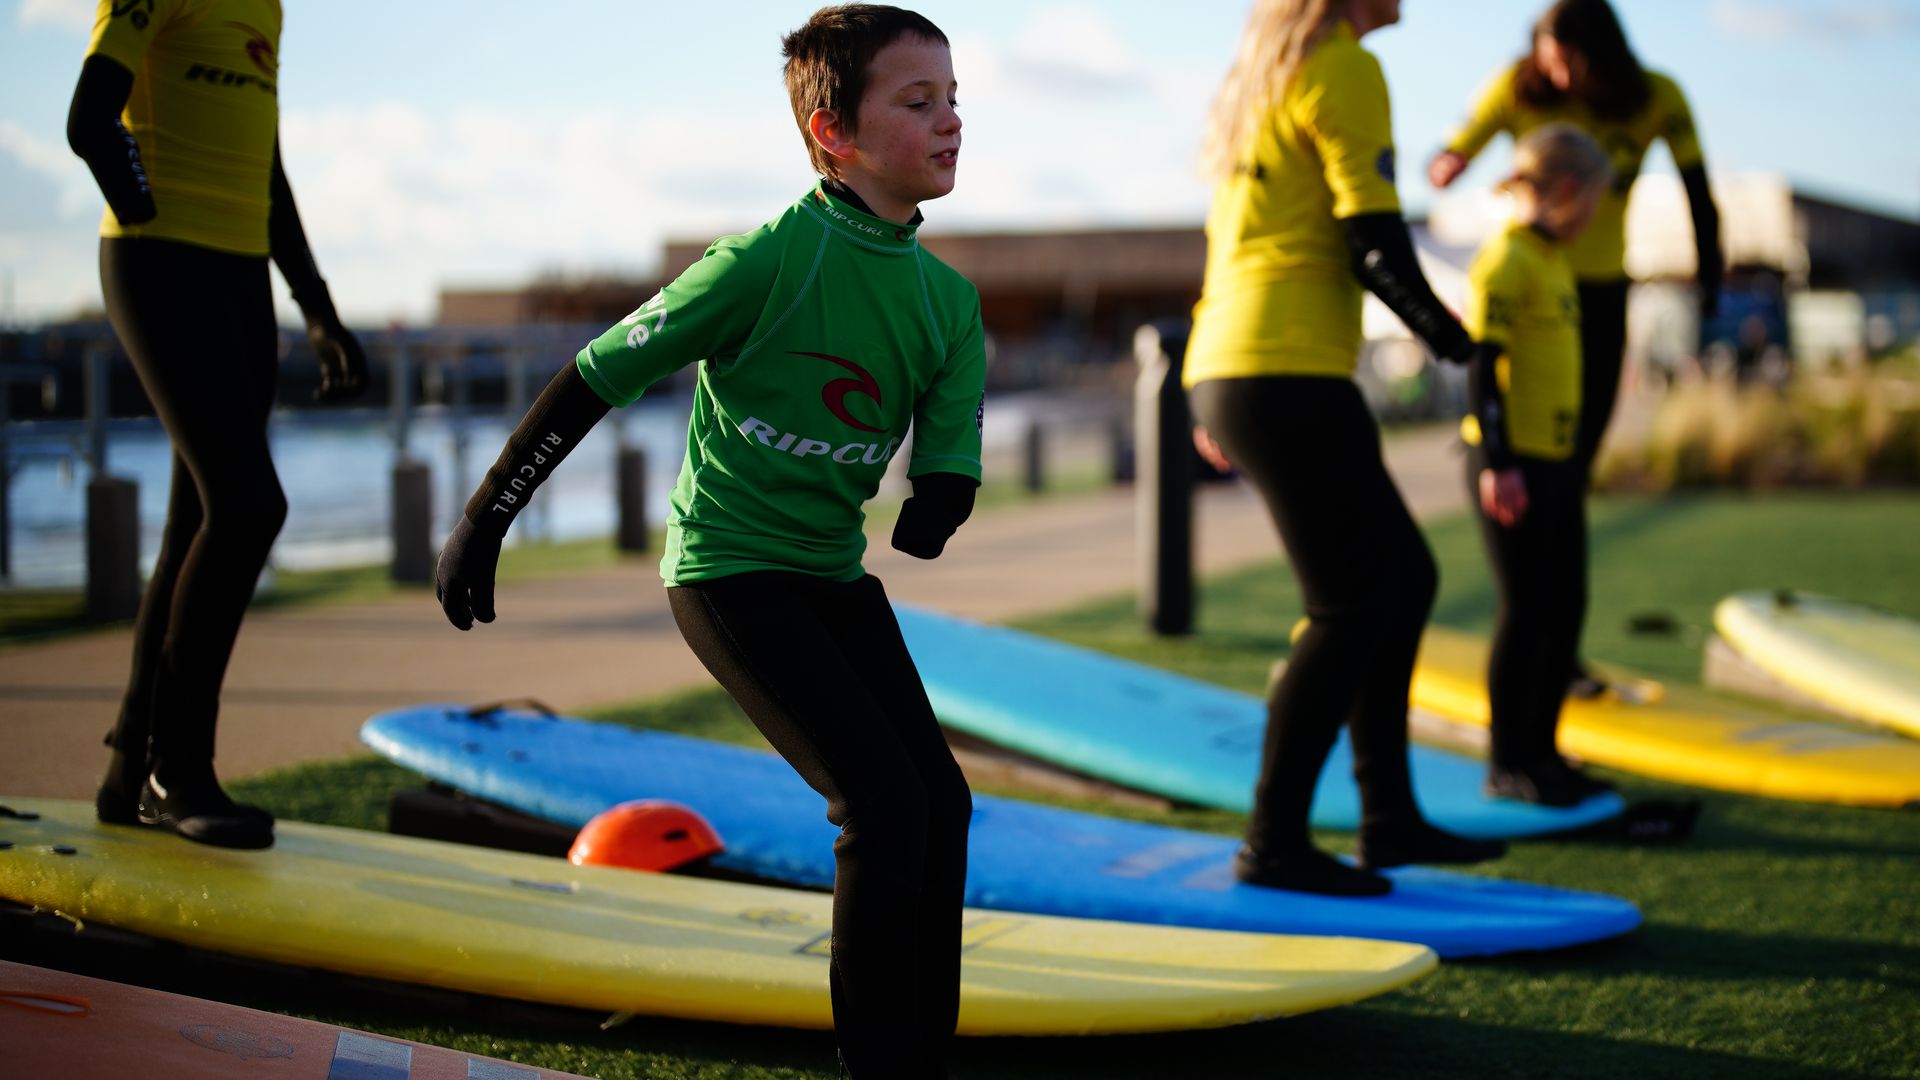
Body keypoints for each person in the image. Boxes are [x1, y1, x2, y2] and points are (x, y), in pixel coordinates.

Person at [433, 7, 982, 1075]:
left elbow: (949, 443)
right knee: (876, 800)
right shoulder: (763, 262)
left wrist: (941, 498)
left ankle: (924, 1054)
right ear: (834, 133)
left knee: (939, 804)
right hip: (728, 570)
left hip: (827, 574)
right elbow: (598, 373)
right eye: (919, 103)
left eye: (955, 99)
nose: (951, 121)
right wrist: (487, 514)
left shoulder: (946, 298)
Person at [1186, 0, 1507, 897]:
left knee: (1402, 580)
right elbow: (1373, 241)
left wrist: (1200, 390)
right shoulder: (1345, 65)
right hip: (1281, 367)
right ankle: (1274, 840)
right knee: (1351, 604)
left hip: (1247, 365)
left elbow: (1232, 250)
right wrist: (1456, 341)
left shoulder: (1266, 77)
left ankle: (1387, 820)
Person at [71, 0, 367, 850]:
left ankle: (131, 771)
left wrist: (316, 309)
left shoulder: (265, 7)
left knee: (198, 519)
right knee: (247, 506)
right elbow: (90, 120)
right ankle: (178, 772)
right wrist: (148, 217)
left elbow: (265, 167)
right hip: (161, 264)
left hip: (243, 281)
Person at [1430, 0, 1721, 696]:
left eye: (1568, 58)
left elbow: (1698, 192)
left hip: (1597, 292)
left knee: (1571, 472)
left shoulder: (1657, 97)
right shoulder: (1517, 87)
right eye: (1546, 57)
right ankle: (1535, 635)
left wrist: (1710, 282)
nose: (1554, 72)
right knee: (1529, 475)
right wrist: (1449, 160)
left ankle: (1554, 643)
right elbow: (1459, 146)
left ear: (1600, 51)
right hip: (1532, 287)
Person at [1460, 124, 1615, 806]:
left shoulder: (1556, 261)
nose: (1595, 219)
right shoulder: (1506, 260)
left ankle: (1545, 753)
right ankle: (1508, 762)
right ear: (1570, 192)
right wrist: (1499, 461)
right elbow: (1479, 367)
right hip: (1511, 462)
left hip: (1555, 461)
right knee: (1524, 610)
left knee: (1565, 606)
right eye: (1595, 204)